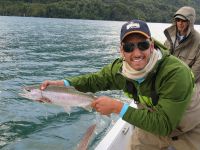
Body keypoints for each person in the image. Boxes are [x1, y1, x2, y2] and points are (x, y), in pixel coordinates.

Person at [40, 19, 198, 149]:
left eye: (142, 45)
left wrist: (117, 107)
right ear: (121, 50)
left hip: (188, 128)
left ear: (151, 45)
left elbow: (164, 124)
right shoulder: (120, 70)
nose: (136, 53)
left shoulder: (175, 73)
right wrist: (63, 84)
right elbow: (94, 80)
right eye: (129, 47)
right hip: (151, 124)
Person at [164, 6, 200, 82]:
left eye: (183, 20)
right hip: (167, 79)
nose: (180, 23)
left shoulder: (198, 40)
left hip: (187, 81)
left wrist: (183, 83)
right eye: (178, 20)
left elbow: (197, 69)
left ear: (190, 22)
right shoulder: (170, 38)